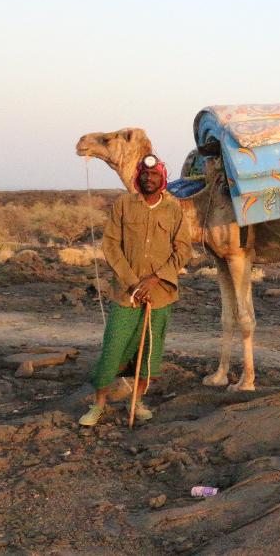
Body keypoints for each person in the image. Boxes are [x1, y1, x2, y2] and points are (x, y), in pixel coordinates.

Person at [79, 154, 192, 426]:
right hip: (126, 294)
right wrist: (133, 283)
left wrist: (154, 280)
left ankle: (137, 402)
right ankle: (99, 405)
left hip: (160, 294)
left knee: (150, 352)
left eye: (154, 175)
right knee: (113, 348)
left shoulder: (174, 209)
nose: (148, 178)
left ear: (162, 178)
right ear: (138, 176)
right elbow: (111, 246)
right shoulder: (123, 205)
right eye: (144, 174)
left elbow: (183, 249)